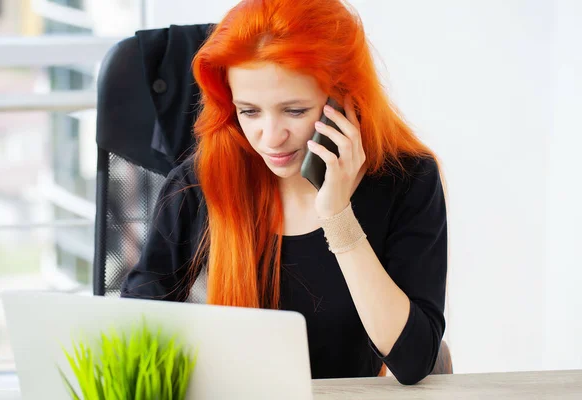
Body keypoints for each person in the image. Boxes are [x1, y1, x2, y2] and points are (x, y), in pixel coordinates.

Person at [121, 0, 448, 385]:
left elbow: (414, 361)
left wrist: (338, 217)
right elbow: (135, 335)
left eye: (294, 111)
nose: (271, 138)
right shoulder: (201, 181)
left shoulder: (406, 178)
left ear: (343, 100)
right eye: (249, 111)